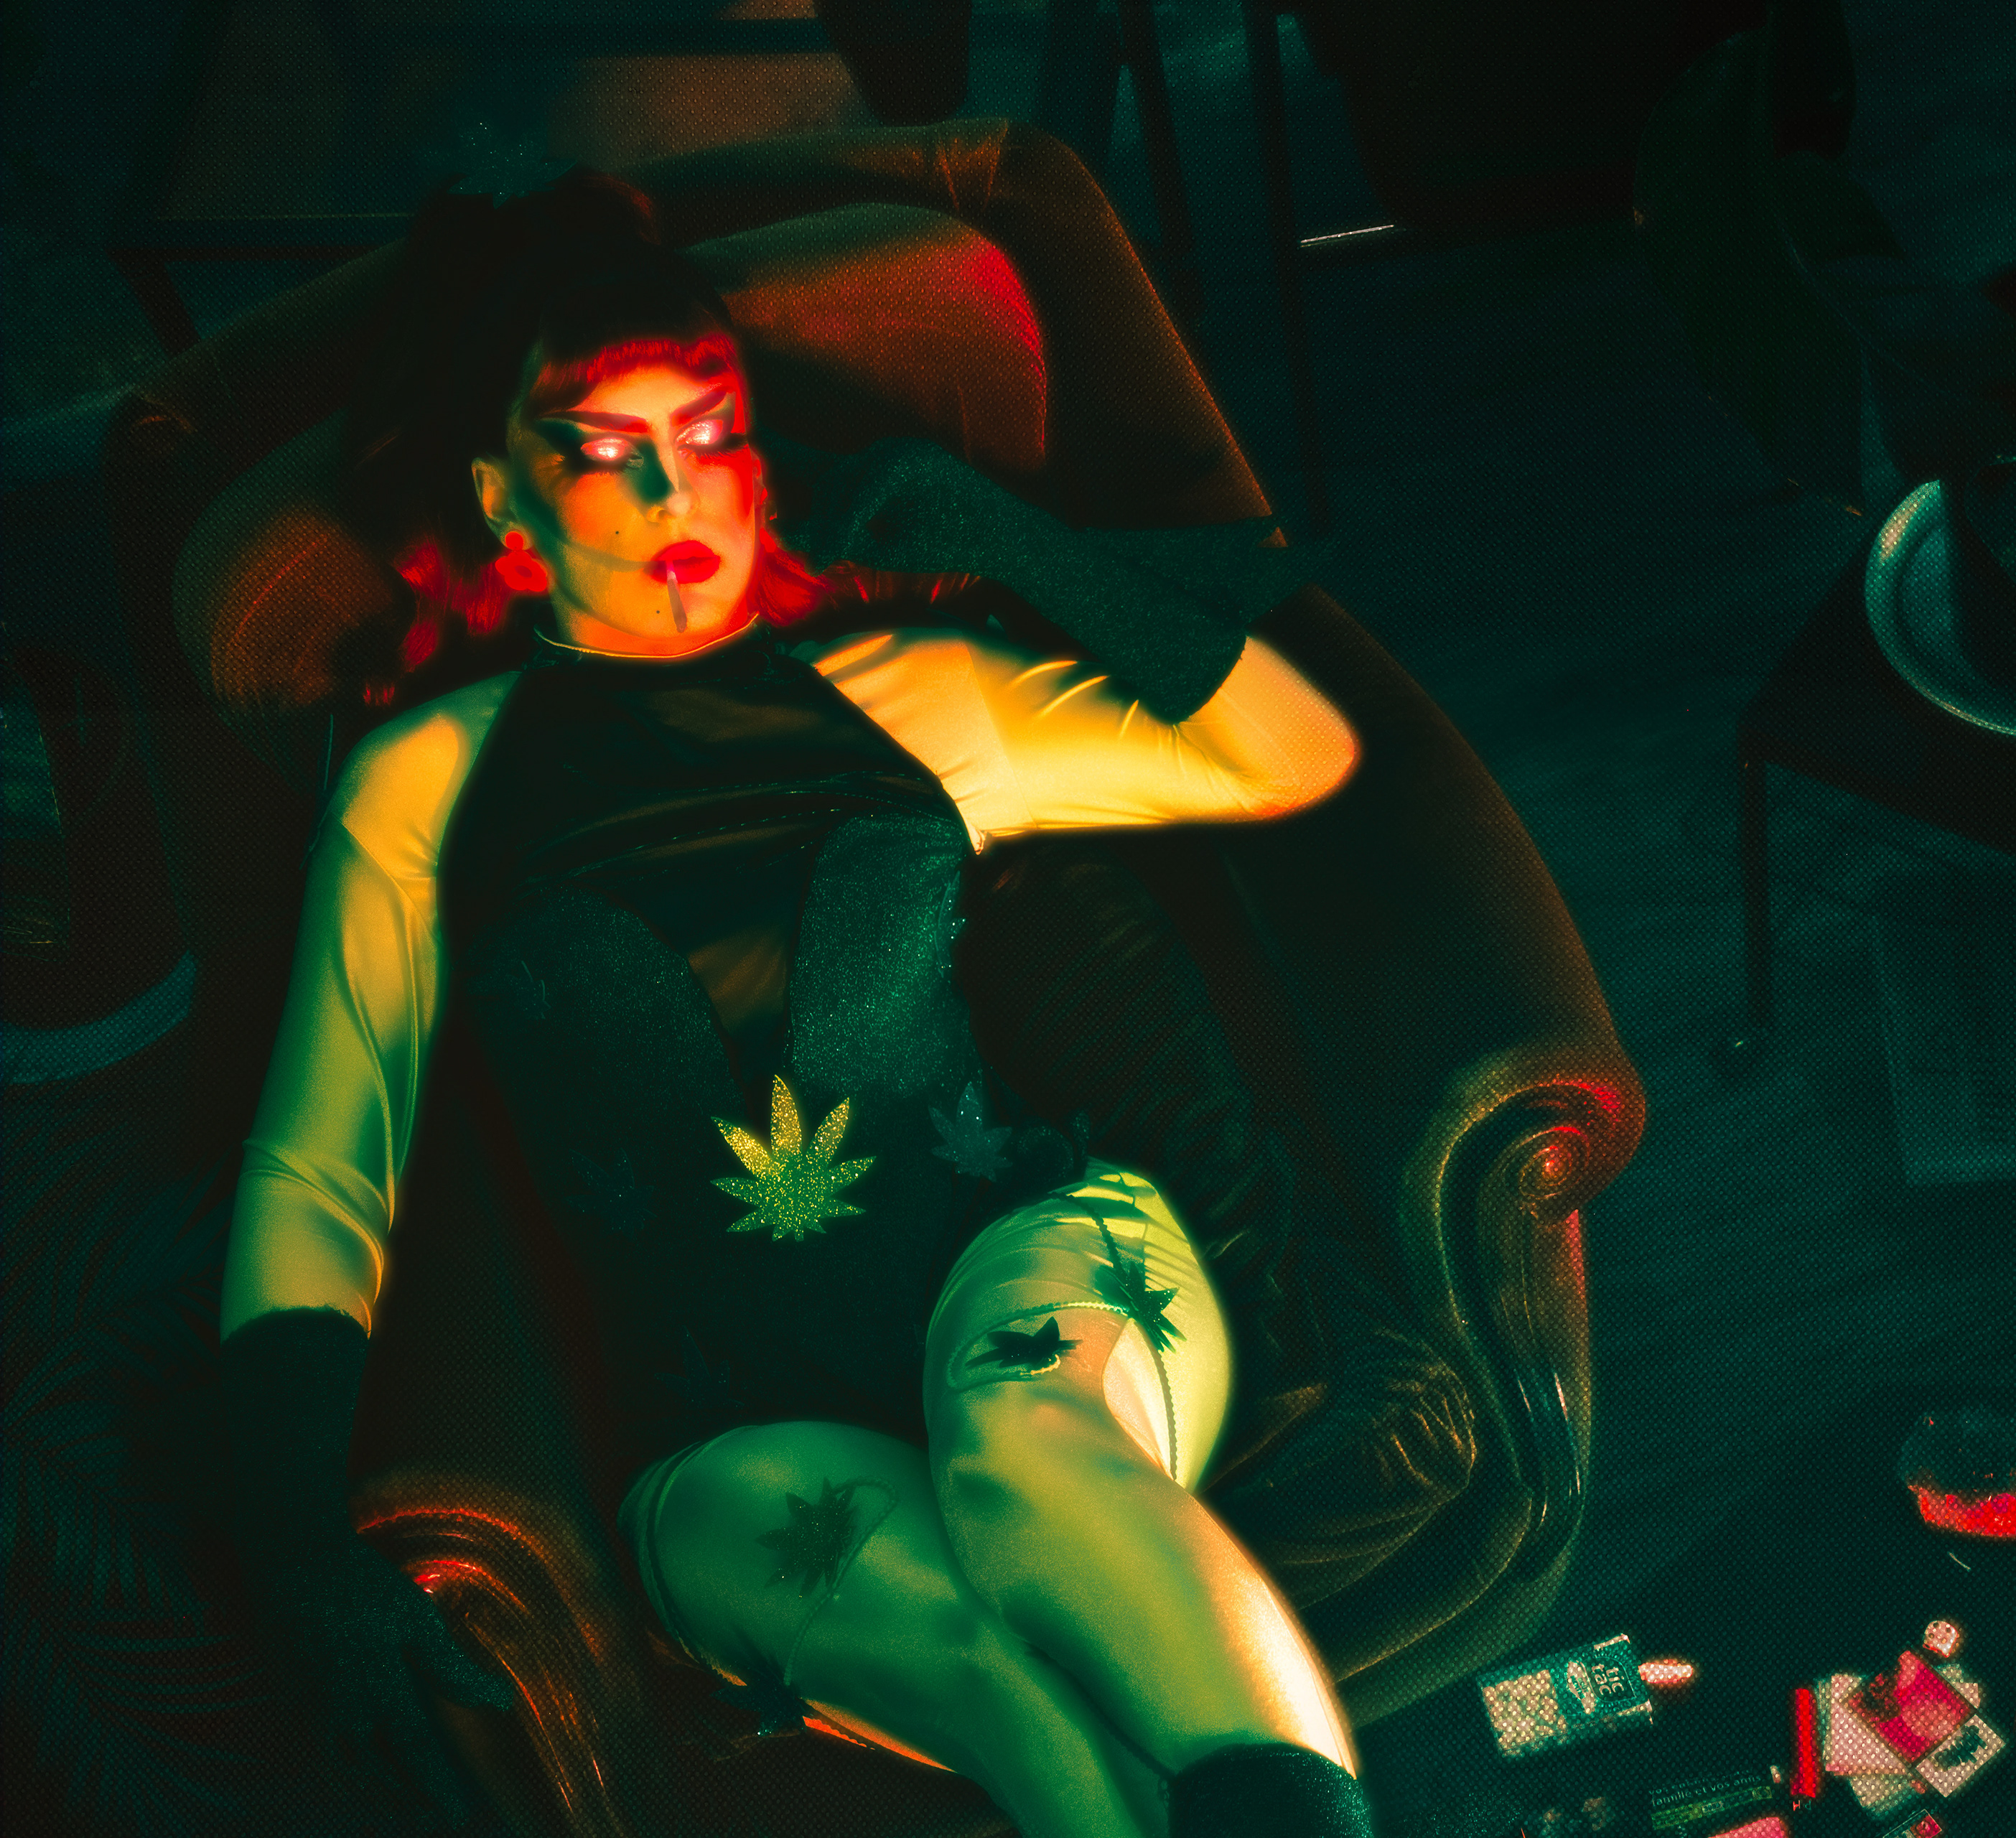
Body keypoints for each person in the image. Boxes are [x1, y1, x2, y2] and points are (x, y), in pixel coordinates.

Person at [215, 170, 1376, 1838]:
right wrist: (281, 1526)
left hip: (1028, 1259)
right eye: (605, 449)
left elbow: (1293, 753)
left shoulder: (914, 698)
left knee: (1021, 1450)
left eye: (711, 433)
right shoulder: (423, 784)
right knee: (974, 1647)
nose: (674, 486)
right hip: (715, 1426)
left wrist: (998, 534)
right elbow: (325, 1167)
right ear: (501, 503)